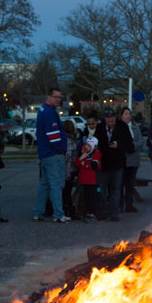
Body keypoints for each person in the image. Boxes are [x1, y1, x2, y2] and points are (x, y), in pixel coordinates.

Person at [32, 87, 70, 222]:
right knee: (56, 184)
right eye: (56, 97)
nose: (58, 100)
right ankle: (58, 215)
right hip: (53, 153)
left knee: (44, 184)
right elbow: (53, 135)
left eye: (60, 97)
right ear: (49, 96)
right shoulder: (49, 112)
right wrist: (61, 150)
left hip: (44, 154)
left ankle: (37, 212)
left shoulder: (43, 110)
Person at [96, 107, 135, 221]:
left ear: (115, 118)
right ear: (105, 119)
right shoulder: (100, 127)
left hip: (117, 163)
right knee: (102, 189)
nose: (110, 123)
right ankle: (104, 211)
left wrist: (119, 145)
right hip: (104, 163)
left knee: (116, 190)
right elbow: (96, 142)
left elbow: (130, 145)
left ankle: (114, 212)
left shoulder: (122, 126)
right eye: (108, 122)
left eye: (112, 121)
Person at [120, 107, 143, 212]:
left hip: (133, 159)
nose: (128, 116)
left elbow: (140, 140)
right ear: (121, 116)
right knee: (120, 184)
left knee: (130, 184)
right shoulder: (118, 128)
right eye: (125, 114)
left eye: (129, 114)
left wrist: (133, 146)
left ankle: (129, 205)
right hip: (122, 159)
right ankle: (119, 205)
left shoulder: (135, 128)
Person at [76, 137, 102, 220]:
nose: (87, 147)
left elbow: (95, 166)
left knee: (94, 197)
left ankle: (95, 213)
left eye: (89, 145)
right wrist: (81, 159)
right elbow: (76, 164)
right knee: (85, 197)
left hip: (92, 180)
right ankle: (85, 213)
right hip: (83, 180)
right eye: (86, 144)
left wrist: (84, 163)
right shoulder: (82, 153)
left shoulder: (96, 154)